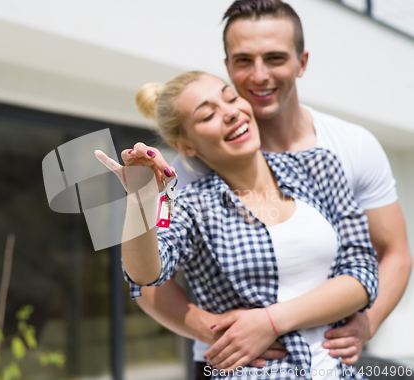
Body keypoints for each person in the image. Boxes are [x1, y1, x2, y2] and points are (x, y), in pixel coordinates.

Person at [133, 0, 412, 377]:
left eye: (275, 58)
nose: (260, 75)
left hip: (331, 359)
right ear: (228, 67)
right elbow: (144, 279)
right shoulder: (179, 176)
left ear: (302, 62)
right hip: (238, 363)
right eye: (244, 60)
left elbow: (392, 252)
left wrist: (367, 322)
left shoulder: (344, 148)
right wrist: (215, 329)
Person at [95, 71, 378, 380]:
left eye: (230, 98)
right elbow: (146, 274)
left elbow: (362, 270)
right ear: (186, 145)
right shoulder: (193, 205)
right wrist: (141, 200)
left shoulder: (319, 167)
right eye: (207, 115)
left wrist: (271, 321)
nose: (230, 113)